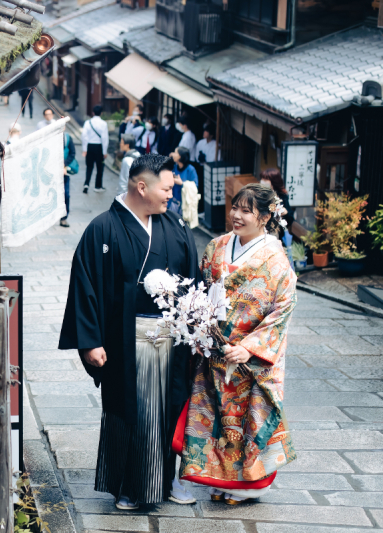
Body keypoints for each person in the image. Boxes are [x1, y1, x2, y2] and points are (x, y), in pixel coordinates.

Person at [59, 153, 200, 510]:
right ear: (142, 186)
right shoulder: (103, 228)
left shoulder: (174, 228)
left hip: (170, 340)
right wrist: (90, 341)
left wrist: (196, 326)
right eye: (167, 188)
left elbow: (193, 280)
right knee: (130, 412)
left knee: (167, 410)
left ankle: (166, 480)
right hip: (124, 342)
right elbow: (84, 284)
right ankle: (128, 486)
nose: (171, 195)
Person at [178, 183, 297, 504]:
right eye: (235, 208)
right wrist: (200, 329)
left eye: (247, 210)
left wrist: (250, 347)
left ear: (265, 217)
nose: (237, 215)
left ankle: (247, 487)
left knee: (245, 421)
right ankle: (219, 481)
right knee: (217, 419)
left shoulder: (275, 257)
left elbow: (283, 308)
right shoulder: (215, 247)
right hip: (216, 350)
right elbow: (200, 293)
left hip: (249, 356)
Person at [82, 105, 109, 193]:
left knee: (89, 167)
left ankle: (86, 184)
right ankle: (98, 186)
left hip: (90, 146)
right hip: (99, 147)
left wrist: (84, 149)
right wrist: (104, 151)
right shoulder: (103, 124)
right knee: (99, 167)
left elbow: (84, 136)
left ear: (93, 113)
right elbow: (105, 138)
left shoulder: (87, 122)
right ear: (101, 113)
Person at [169, 147, 198, 215]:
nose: (173, 154)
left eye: (175, 152)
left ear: (180, 156)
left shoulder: (190, 169)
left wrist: (182, 183)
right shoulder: (174, 167)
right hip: (173, 202)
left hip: (185, 203)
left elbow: (195, 186)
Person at [61, 130, 76, 228]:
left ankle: (64, 217)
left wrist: (64, 165)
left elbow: (72, 153)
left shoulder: (67, 137)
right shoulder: (51, 138)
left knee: (66, 194)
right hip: (52, 170)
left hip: (64, 171)